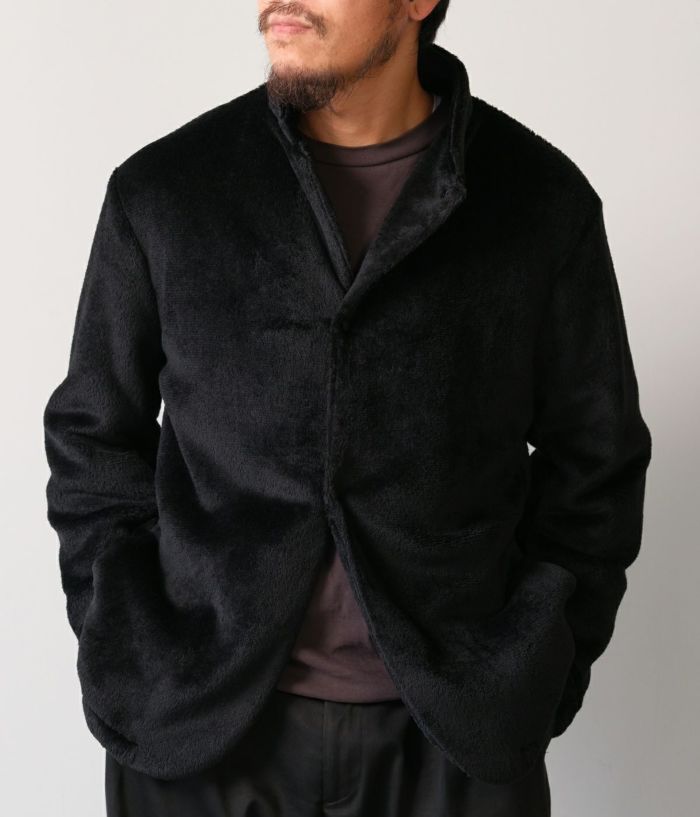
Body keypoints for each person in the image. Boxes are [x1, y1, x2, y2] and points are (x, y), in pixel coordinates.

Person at [42, 1, 653, 815]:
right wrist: (129, 642)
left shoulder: (540, 203)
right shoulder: (166, 192)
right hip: (197, 734)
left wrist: (535, 664)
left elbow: (597, 461)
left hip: (452, 745)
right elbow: (92, 439)